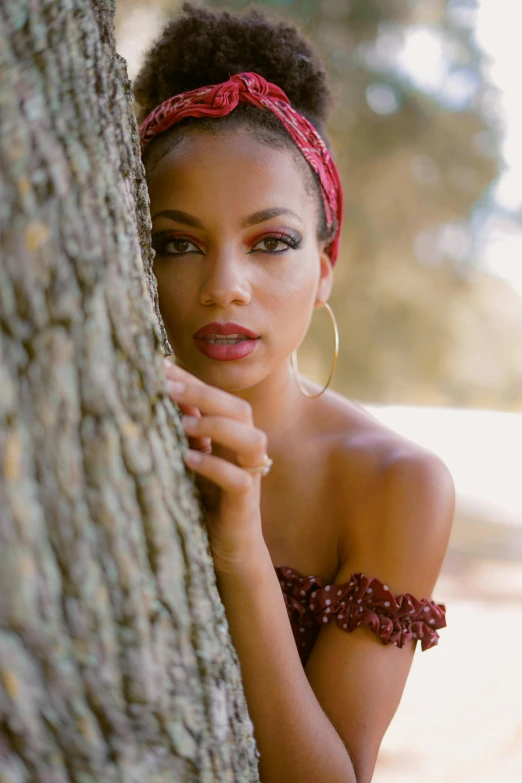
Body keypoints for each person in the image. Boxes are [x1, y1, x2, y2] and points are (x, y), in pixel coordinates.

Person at [134, 4, 454, 782]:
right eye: (177, 243)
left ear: (327, 263)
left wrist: (240, 550)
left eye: (271, 241)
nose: (223, 288)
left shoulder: (395, 484)